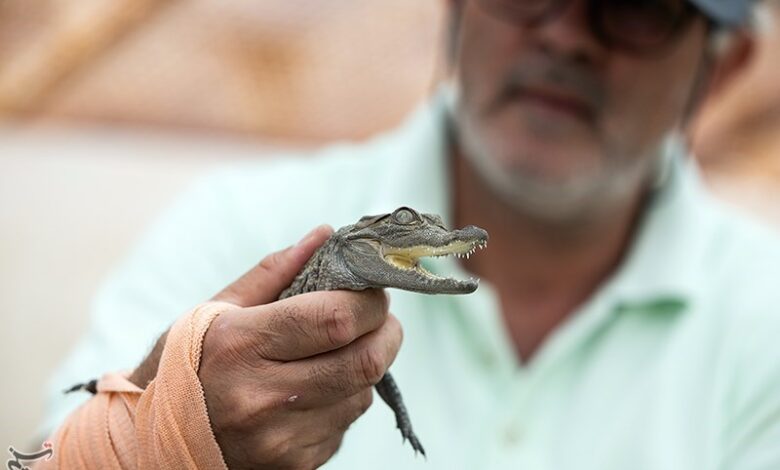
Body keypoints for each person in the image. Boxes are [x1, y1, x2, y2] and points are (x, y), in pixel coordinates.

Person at [41, 0, 780, 468]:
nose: (565, 35)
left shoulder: (765, 314)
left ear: (724, 66)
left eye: (638, 9)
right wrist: (158, 440)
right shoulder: (240, 222)